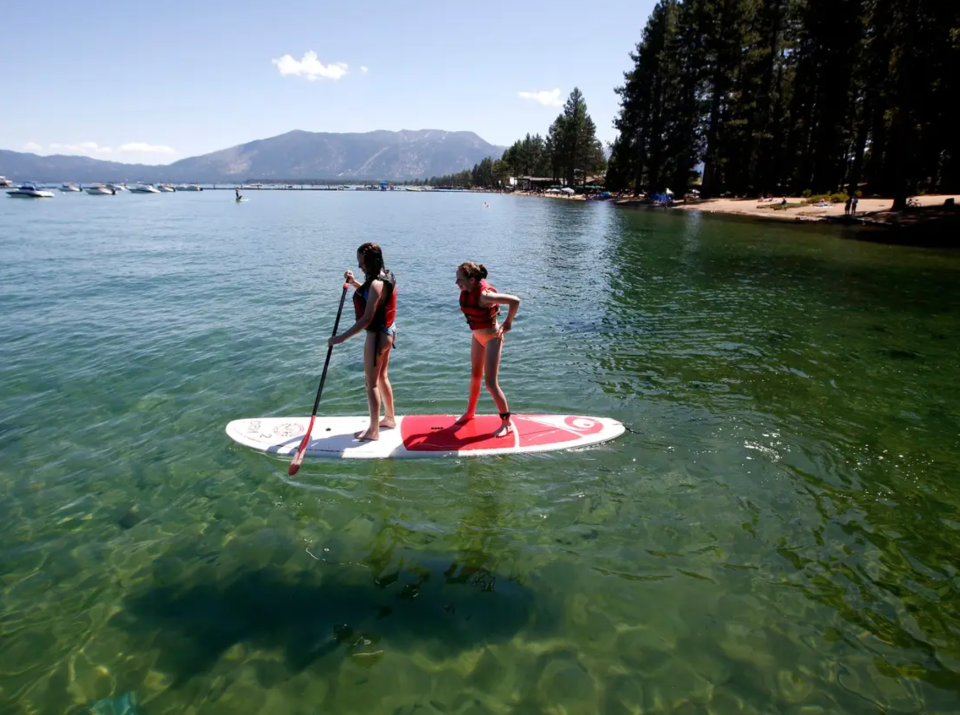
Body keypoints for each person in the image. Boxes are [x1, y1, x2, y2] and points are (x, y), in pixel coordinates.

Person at [328, 243, 397, 441]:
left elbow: (367, 319)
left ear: (372, 262)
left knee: (371, 384)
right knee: (382, 377)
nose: (360, 267)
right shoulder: (386, 276)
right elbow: (374, 296)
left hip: (377, 337)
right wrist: (354, 282)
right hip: (389, 332)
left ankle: (373, 431)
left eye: (363, 264)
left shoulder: (376, 284)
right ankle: (389, 419)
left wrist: (340, 338)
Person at [455, 262, 520, 438]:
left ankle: (507, 423)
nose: (456, 282)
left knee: (490, 384)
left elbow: (515, 301)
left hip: (492, 338)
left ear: (473, 279)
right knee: (475, 376)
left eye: (460, 279)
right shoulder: (468, 291)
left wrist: (508, 323)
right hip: (477, 336)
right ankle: (470, 413)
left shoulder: (484, 295)